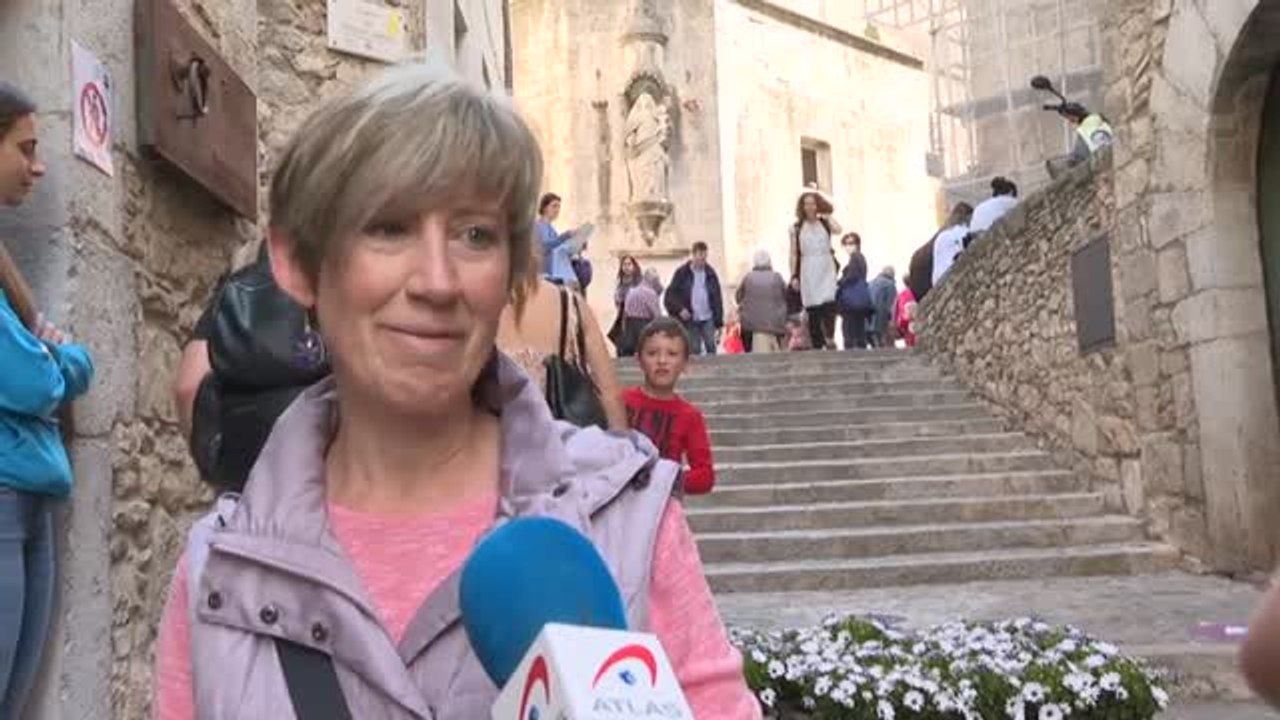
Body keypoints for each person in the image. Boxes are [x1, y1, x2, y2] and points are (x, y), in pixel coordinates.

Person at [152, 62, 760, 719]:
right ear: (298, 265)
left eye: (475, 235)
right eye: (388, 228)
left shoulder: (622, 519)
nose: (438, 282)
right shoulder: (223, 574)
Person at [0, 82, 96, 718]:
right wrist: (56, 359)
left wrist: (53, 363)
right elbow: (33, 380)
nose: (38, 166)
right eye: (25, 147)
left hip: (32, 500)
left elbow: (67, 369)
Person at [498, 269, 628, 430]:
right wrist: (621, 448)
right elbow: (610, 395)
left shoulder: (468, 306)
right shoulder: (569, 305)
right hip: (564, 445)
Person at [623, 318, 716, 495]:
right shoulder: (621, 402)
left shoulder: (689, 416)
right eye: (652, 353)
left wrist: (665, 479)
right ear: (639, 360)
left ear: (685, 364)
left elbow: (705, 476)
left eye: (672, 354)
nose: (662, 360)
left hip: (663, 508)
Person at [789, 190, 842, 350]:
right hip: (808, 265)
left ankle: (830, 336)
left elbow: (839, 230)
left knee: (829, 301)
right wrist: (794, 275)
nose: (810, 207)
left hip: (825, 264)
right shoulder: (796, 228)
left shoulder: (824, 223)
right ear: (802, 207)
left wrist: (827, 215)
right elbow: (793, 253)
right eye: (806, 203)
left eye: (813, 203)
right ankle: (818, 343)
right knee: (812, 306)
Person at [663, 241, 724, 355]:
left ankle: (713, 371)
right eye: (700, 258)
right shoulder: (682, 273)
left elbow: (717, 298)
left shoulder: (710, 273)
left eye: (705, 258)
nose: (703, 261)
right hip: (691, 318)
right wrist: (680, 309)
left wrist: (719, 322)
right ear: (693, 255)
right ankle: (697, 372)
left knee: (711, 345)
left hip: (707, 317)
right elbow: (670, 296)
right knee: (694, 349)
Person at [735, 249, 788, 353]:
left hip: (751, 326)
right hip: (775, 325)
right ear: (769, 262)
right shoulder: (777, 277)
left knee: (750, 353)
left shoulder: (748, 278)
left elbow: (738, 297)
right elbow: (786, 295)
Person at [535, 192, 581, 288]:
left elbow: (558, 247)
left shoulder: (550, 228)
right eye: (554, 206)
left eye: (559, 207)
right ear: (544, 208)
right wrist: (566, 236)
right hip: (544, 274)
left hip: (553, 271)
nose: (557, 210)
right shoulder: (539, 226)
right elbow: (545, 247)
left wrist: (578, 245)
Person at [835, 232, 871, 350]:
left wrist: (839, 283)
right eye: (846, 243)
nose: (848, 246)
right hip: (858, 296)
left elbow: (852, 276)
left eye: (851, 243)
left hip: (852, 297)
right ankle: (859, 344)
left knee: (849, 324)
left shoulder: (856, 257)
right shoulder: (860, 257)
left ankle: (851, 345)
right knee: (858, 323)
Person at [618, 267, 663, 357]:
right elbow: (657, 316)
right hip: (644, 329)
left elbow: (625, 313)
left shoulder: (631, 292)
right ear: (654, 281)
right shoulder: (650, 293)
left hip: (629, 330)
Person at [931, 202, 975, 287]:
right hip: (951, 278)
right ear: (968, 217)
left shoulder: (941, 236)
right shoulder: (964, 232)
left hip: (936, 282)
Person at [608, 254, 642, 354]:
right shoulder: (620, 283)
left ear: (634, 266)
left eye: (629, 264)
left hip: (636, 317)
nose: (626, 267)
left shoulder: (639, 282)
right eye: (624, 265)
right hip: (623, 317)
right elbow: (617, 300)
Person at [867, 265, 898, 348]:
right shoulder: (890, 285)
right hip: (881, 318)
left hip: (868, 318)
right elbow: (891, 305)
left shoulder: (870, 283)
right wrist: (892, 320)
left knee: (874, 340)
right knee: (882, 341)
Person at [894, 280, 918, 348]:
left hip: (906, 320)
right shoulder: (907, 293)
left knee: (910, 340)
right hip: (910, 319)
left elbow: (898, 309)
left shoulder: (903, 293)